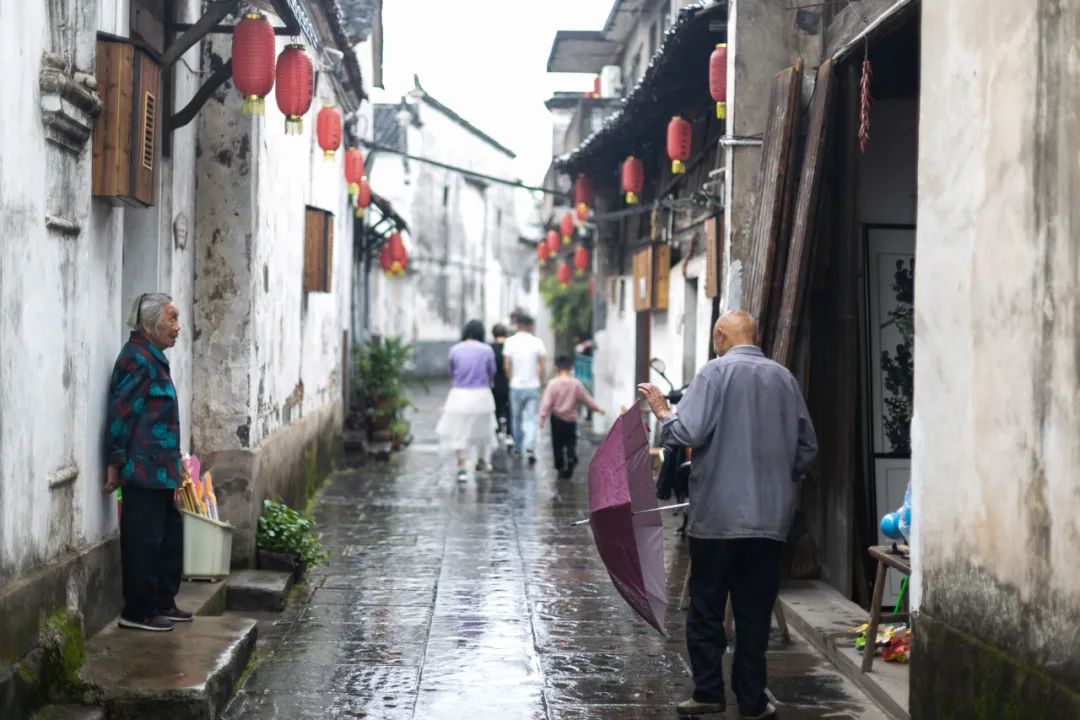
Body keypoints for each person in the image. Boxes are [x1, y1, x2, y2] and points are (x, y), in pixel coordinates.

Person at [637, 309, 817, 719]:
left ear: (720, 336)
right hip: (769, 523)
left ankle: (708, 693)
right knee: (754, 616)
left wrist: (664, 412)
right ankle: (752, 701)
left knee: (706, 610)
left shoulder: (714, 374)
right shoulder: (784, 379)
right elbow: (807, 449)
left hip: (717, 520)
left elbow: (689, 433)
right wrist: (778, 480)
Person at [103, 292, 191, 632]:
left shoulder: (152, 358)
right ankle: (137, 611)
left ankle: (162, 603)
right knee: (144, 539)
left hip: (162, 467)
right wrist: (115, 461)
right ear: (148, 324)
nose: (177, 327)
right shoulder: (136, 360)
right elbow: (121, 413)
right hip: (142, 469)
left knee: (169, 537)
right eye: (171, 319)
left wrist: (178, 462)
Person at [435, 319, 498, 480]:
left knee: (459, 431)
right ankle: (482, 460)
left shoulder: (455, 350)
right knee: (484, 431)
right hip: (482, 395)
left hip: (459, 396)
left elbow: (452, 371)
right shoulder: (487, 350)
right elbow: (492, 371)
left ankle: (461, 466)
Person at [538, 355, 604, 478]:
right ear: (570, 368)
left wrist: (542, 418)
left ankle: (559, 465)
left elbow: (546, 402)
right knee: (570, 441)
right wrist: (598, 409)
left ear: (556, 368)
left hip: (556, 419)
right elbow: (586, 399)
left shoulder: (553, 384)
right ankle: (571, 456)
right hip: (571, 419)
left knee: (557, 443)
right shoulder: (576, 383)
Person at [502, 313, 547, 463]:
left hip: (515, 386)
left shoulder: (510, 342)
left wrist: (511, 379)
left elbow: (507, 365)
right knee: (531, 417)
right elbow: (542, 365)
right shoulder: (537, 342)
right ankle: (530, 445)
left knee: (516, 418)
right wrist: (539, 381)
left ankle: (517, 447)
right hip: (532, 386)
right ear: (530, 326)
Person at [490, 324, 512, 445]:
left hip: (495, 383)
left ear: (493, 334)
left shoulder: (490, 348)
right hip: (509, 383)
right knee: (509, 409)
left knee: (496, 409)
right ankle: (509, 434)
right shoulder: (510, 347)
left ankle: (497, 430)